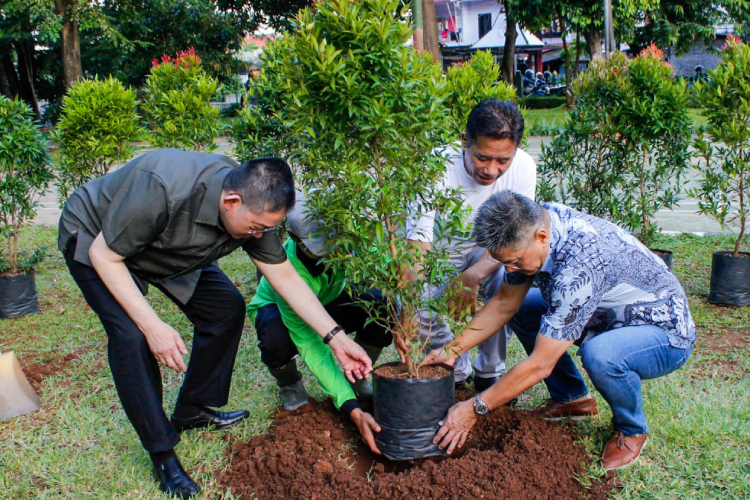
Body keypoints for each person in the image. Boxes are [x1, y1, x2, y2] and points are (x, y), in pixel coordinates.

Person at [58, 149, 373, 499]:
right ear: (231, 201)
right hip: (96, 239)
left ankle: (193, 409)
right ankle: (162, 452)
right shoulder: (162, 187)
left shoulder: (256, 206)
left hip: (168, 247)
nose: (259, 235)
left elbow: (283, 273)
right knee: (131, 337)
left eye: (266, 229)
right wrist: (154, 326)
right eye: (256, 228)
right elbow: (105, 255)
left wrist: (337, 338)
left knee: (225, 307)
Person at [422, 191, 696, 469]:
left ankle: (632, 429)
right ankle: (573, 400)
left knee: (602, 355)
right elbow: (505, 302)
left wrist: (474, 408)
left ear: (541, 237)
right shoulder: (535, 223)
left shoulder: (579, 266)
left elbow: (541, 364)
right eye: (503, 262)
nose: (510, 269)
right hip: (607, 314)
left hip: (662, 332)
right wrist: (452, 350)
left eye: (515, 261)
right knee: (526, 306)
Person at [404, 99, 536, 392]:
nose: (491, 170)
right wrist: (410, 308)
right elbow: (418, 244)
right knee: (416, 300)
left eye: (503, 161)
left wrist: (474, 274)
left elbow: (513, 238)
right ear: (465, 141)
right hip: (440, 248)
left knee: (506, 279)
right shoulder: (436, 163)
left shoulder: (525, 167)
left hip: (492, 249)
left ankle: (490, 370)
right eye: (482, 157)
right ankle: (454, 367)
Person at [247, 194, 391, 454]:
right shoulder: (286, 274)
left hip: (330, 299)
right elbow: (312, 345)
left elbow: (383, 264)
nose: (331, 255)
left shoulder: (348, 245)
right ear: (292, 234)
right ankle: (289, 384)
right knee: (275, 337)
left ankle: (359, 376)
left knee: (379, 306)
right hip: (276, 309)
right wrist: (350, 406)